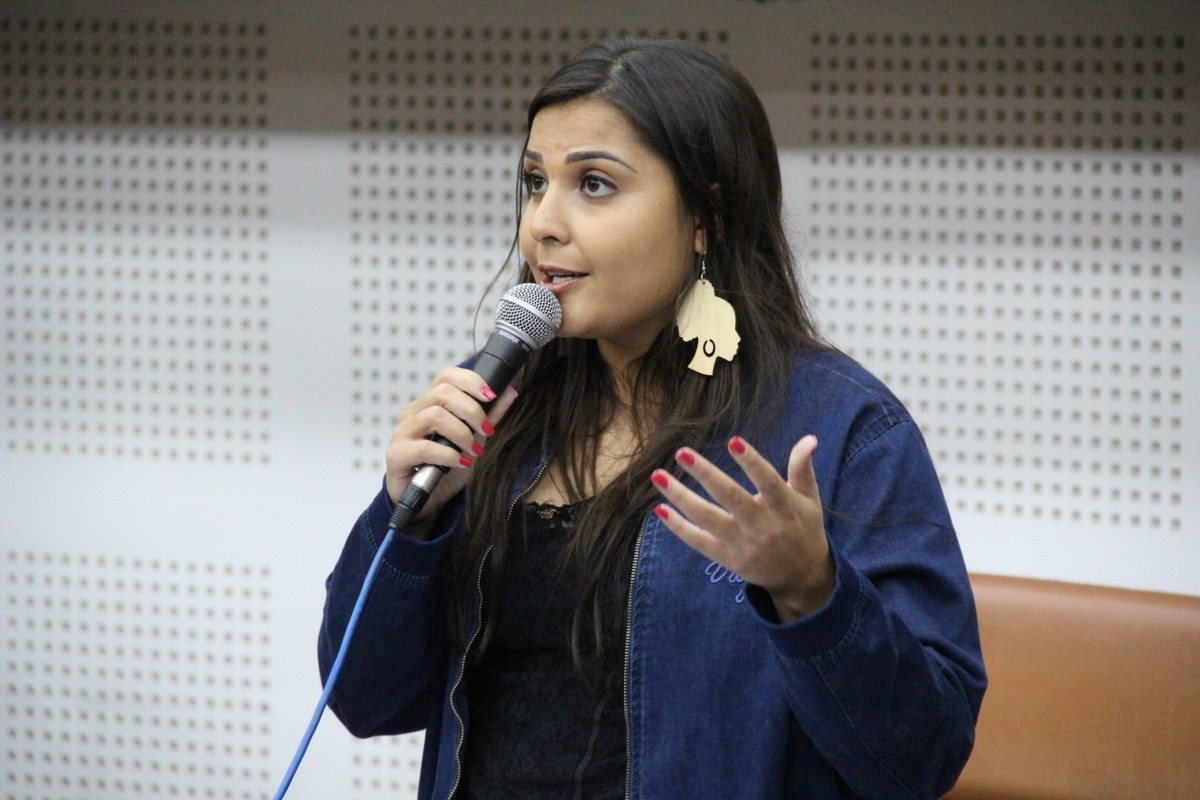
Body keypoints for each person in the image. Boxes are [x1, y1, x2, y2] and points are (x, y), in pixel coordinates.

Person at [319, 37, 986, 800]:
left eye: (594, 185)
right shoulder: (495, 398)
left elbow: (919, 761)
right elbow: (366, 699)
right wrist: (411, 519)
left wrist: (812, 591)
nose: (542, 223)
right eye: (535, 182)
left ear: (708, 216)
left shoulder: (842, 429)